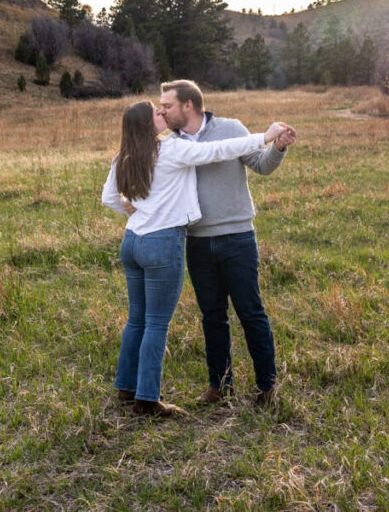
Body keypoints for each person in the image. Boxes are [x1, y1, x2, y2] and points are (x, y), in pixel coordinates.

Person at [101, 101, 289, 417]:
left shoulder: (124, 156)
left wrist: (133, 208)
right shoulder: (170, 149)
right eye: (157, 113)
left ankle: (126, 387)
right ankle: (146, 400)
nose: (163, 114)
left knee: (137, 318)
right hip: (161, 243)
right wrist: (264, 137)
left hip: (132, 241)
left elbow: (108, 197)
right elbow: (218, 150)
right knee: (156, 322)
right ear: (148, 125)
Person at [157, 79, 296, 406]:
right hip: (197, 243)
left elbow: (261, 165)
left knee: (250, 312)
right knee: (212, 316)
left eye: (167, 106)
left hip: (238, 238)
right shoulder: (171, 144)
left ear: (188, 105)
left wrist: (277, 148)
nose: (162, 112)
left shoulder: (231, 128)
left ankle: (267, 387)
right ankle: (219, 386)